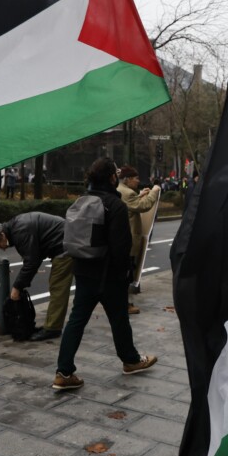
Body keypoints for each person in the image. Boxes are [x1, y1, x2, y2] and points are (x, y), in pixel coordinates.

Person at [53, 158, 157, 390]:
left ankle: (63, 372)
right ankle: (130, 360)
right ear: (112, 178)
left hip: (83, 271)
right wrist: (126, 275)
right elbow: (121, 246)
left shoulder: (82, 201)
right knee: (119, 319)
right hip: (109, 274)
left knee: (76, 321)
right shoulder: (115, 205)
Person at [0, 212, 72, 341]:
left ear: (2, 235)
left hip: (65, 246)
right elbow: (33, 256)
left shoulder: (20, 231)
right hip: (66, 240)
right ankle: (59, 325)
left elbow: (31, 262)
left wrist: (17, 287)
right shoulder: (16, 228)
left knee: (58, 287)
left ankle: (53, 329)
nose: (1, 248)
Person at [117, 165, 161, 315]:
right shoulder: (128, 192)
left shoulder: (121, 190)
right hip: (128, 240)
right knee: (127, 274)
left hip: (120, 240)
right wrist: (154, 191)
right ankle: (125, 305)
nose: (138, 181)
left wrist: (140, 194)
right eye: (136, 178)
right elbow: (144, 206)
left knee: (123, 273)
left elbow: (132, 204)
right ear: (128, 179)